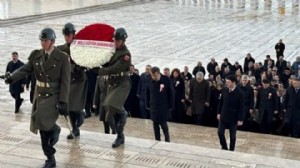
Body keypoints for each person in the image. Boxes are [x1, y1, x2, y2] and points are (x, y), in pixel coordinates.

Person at [5, 28, 70, 168]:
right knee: (41, 124)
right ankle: (50, 153)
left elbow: (66, 81)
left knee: (41, 121)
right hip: (39, 94)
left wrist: (64, 101)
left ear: (52, 41)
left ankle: (50, 157)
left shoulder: (62, 57)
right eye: (41, 40)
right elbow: (25, 69)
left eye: (45, 40)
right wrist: (12, 78)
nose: (43, 43)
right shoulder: (36, 55)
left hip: (53, 95)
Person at [97, 27, 131, 148]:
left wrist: (101, 71)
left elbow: (114, 68)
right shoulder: (113, 50)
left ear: (123, 40)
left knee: (111, 104)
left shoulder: (125, 55)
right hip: (112, 83)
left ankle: (123, 113)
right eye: (115, 40)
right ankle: (120, 136)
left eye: (118, 41)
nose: (115, 42)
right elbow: (106, 62)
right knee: (110, 110)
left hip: (122, 83)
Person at [57, 23, 86, 140]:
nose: (66, 37)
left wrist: (72, 67)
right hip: (68, 81)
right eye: (65, 35)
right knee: (69, 107)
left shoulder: (80, 48)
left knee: (75, 106)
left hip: (78, 80)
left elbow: (84, 64)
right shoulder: (62, 49)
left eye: (68, 35)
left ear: (73, 35)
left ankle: (80, 118)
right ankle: (75, 129)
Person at [146, 67, 174, 142]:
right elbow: (147, 93)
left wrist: (171, 106)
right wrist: (147, 104)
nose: (154, 77)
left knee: (163, 123)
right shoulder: (149, 80)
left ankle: (167, 139)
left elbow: (171, 93)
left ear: (159, 73)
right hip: (153, 106)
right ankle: (157, 139)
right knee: (155, 124)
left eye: (155, 75)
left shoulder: (166, 80)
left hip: (163, 106)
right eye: (152, 75)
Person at [217, 75, 245, 151]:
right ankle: (224, 147)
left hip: (233, 118)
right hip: (223, 116)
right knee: (220, 133)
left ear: (233, 82)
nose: (227, 84)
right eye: (226, 82)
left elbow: (241, 107)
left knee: (232, 136)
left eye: (228, 82)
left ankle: (231, 150)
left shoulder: (240, 93)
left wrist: (240, 119)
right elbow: (221, 102)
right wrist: (218, 113)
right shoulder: (224, 90)